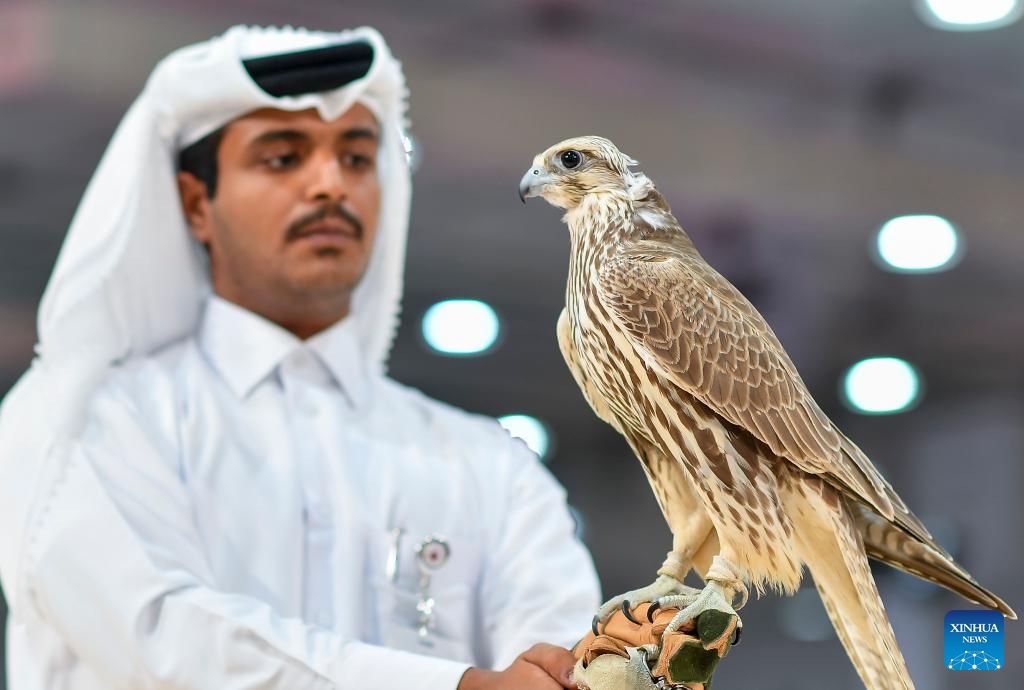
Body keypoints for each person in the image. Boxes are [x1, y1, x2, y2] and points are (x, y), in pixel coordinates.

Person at [0, 25, 600, 690]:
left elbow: (563, 655)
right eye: (283, 158)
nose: (330, 185)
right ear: (196, 204)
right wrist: (456, 685)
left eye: (357, 158)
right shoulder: (86, 422)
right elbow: (163, 637)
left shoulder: (490, 466)